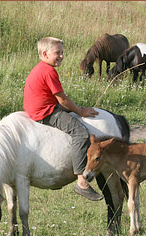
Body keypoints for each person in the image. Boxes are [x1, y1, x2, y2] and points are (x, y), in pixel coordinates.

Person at [23, 37, 103, 201]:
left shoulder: (41, 68)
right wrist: (80, 111)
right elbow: (62, 100)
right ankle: (81, 181)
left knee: (71, 112)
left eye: (62, 52)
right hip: (45, 112)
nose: (61, 56)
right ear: (45, 54)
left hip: (40, 107)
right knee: (80, 132)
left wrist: (73, 108)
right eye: (57, 53)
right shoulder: (49, 71)